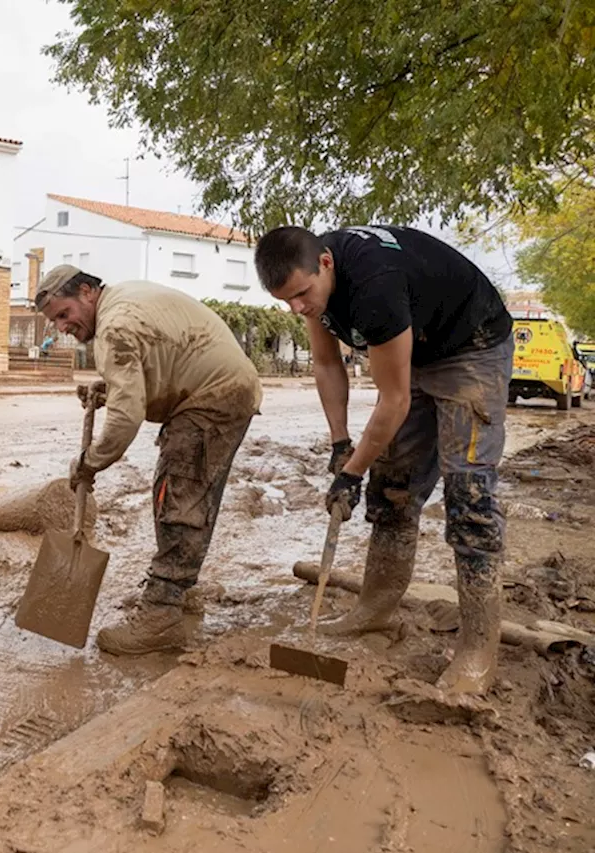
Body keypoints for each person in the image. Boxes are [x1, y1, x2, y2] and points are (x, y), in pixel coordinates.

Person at [255, 225, 514, 694]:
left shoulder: (376, 285)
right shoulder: (311, 283)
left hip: (472, 346)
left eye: (301, 295)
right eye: (285, 301)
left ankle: (478, 648)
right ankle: (373, 609)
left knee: (469, 496)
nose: (296, 308)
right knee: (393, 483)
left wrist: (351, 475)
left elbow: (393, 401)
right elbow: (326, 362)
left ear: (326, 263)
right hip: (417, 348)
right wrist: (340, 444)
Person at [35, 264, 262, 655]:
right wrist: (110, 388)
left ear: (87, 292)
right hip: (220, 388)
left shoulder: (114, 328)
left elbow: (126, 419)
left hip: (211, 398)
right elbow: (157, 362)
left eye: (63, 314)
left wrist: (89, 462)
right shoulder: (122, 299)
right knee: (178, 492)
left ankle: (161, 616)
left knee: (180, 499)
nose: (62, 327)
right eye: (55, 320)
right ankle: (178, 590)